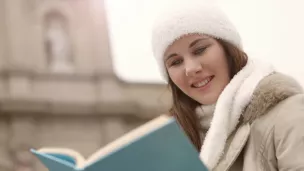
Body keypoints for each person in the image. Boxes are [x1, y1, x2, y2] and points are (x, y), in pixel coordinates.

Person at [151, 1, 304, 171]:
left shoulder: (288, 114)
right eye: (176, 62)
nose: (191, 69)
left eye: (200, 50)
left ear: (227, 48)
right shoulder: (177, 144)